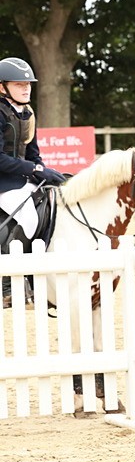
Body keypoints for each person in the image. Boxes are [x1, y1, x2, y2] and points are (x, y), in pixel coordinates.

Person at [0, 57, 65, 307]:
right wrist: (34, 168)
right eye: (19, 84)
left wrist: (43, 171)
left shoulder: (27, 112)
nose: (26, 88)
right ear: (2, 87)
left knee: (53, 203)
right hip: (3, 180)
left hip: (19, 178)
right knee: (28, 217)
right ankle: (7, 286)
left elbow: (33, 152)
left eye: (28, 84)